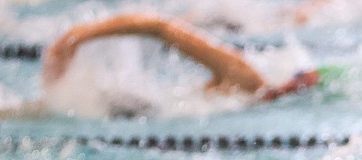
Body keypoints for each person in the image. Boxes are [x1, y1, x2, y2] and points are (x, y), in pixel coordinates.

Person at [41, 12, 323, 102]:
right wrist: (79, 37)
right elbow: (159, 26)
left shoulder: (254, 96)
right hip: (123, 109)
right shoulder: (249, 78)